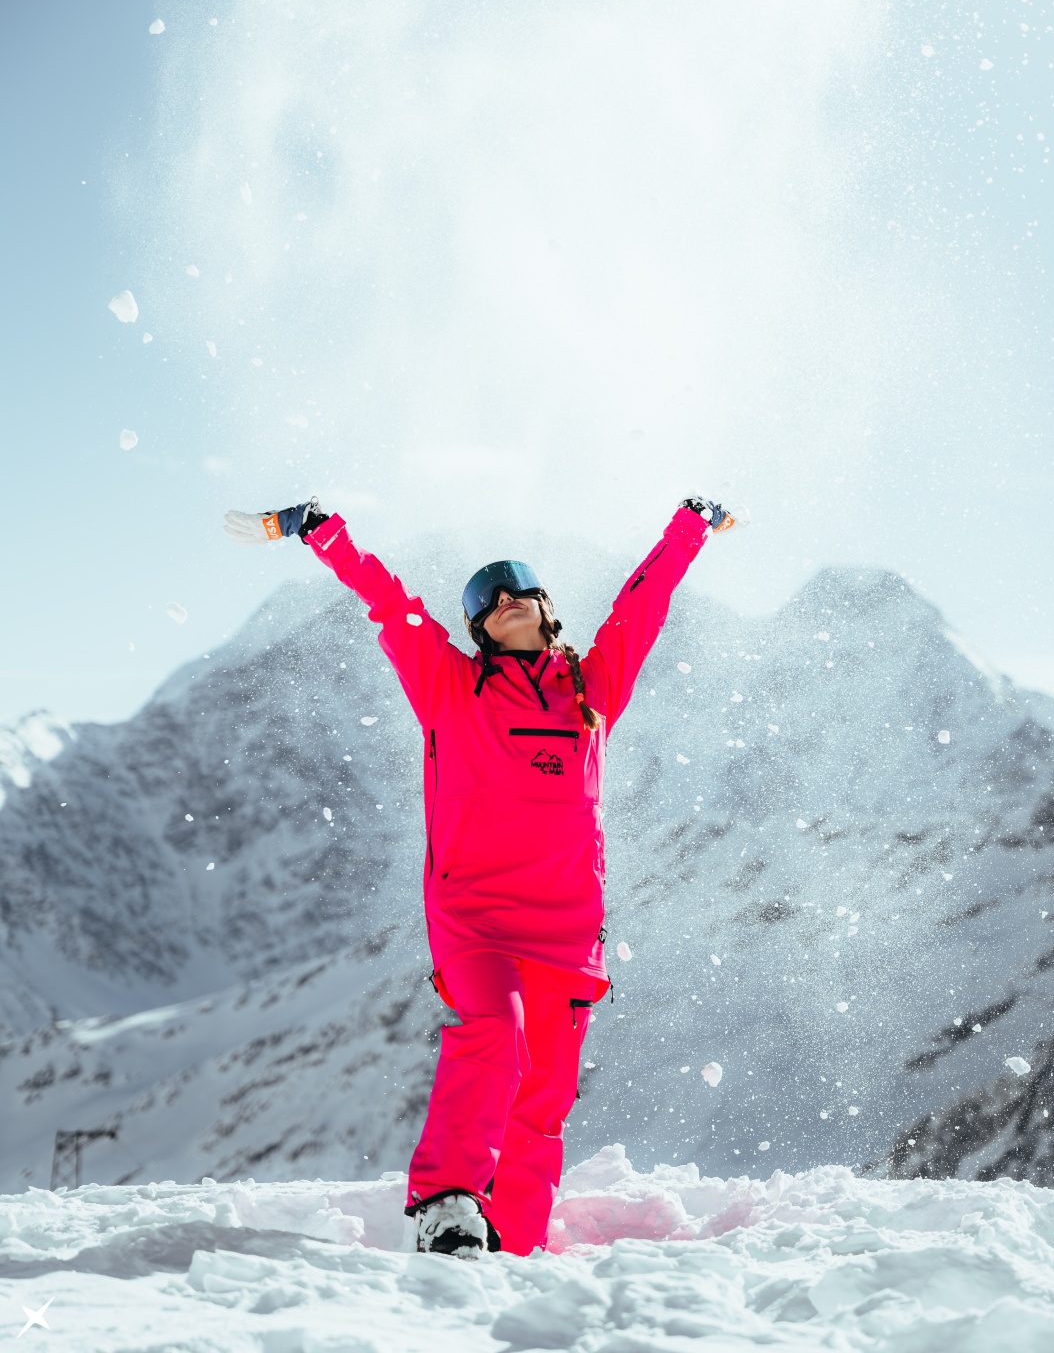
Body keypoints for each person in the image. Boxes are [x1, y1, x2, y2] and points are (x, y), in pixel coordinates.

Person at [224, 494, 737, 1256]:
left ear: (546, 608)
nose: (503, 600)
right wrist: (323, 532)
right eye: (486, 600)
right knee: (494, 1036)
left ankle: (514, 1249)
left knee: (542, 1100)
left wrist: (689, 527)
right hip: (476, 916)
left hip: (567, 928)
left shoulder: (591, 693)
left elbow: (642, 607)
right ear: (475, 629)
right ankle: (445, 1203)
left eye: (517, 589)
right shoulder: (448, 686)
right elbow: (390, 606)